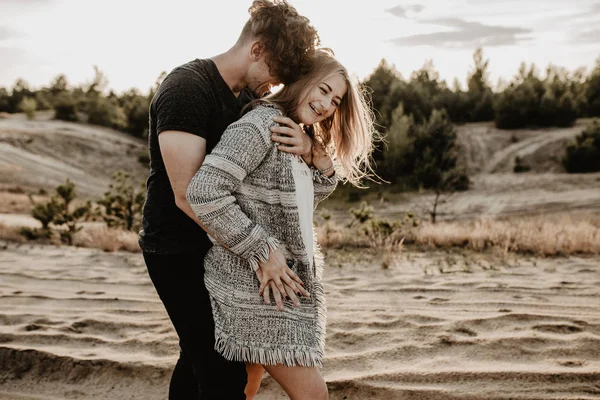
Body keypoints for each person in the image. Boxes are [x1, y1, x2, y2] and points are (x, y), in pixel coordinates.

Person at [138, 1, 320, 398]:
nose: (275, 85)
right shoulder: (187, 87)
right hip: (175, 248)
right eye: (275, 71)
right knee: (220, 369)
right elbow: (188, 195)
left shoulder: (246, 101)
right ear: (256, 50)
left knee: (199, 359)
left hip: (220, 246)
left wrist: (310, 149)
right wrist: (260, 250)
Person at [186, 48, 376, 400]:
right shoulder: (260, 126)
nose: (326, 105)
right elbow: (205, 191)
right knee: (313, 394)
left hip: (272, 287)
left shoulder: (293, 133)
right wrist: (262, 251)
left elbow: (297, 199)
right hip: (253, 285)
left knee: (246, 387)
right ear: (302, 80)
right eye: (323, 90)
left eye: (335, 101)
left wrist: (315, 155)